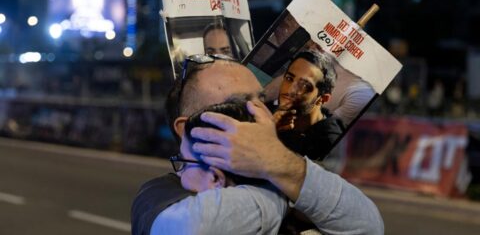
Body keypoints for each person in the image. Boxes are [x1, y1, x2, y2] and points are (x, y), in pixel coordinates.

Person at [131, 57, 383, 234]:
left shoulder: (281, 170)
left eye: (262, 100)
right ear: (187, 129)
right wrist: (281, 184)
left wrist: (281, 165)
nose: (263, 113)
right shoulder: (159, 194)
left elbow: (369, 226)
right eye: (242, 104)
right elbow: (191, 228)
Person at [273, 50, 345, 160]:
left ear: (322, 99)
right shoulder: (270, 113)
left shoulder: (330, 145)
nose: (291, 90)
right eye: (289, 78)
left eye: (305, 86)